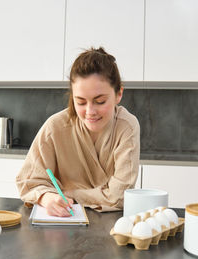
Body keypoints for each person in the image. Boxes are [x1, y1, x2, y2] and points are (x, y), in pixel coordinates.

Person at [16, 47, 140, 217]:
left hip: (111, 227)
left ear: (119, 93)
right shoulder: (55, 127)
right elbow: (28, 182)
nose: (90, 111)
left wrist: (69, 193)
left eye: (100, 101)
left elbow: (120, 196)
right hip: (63, 226)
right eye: (80, 102)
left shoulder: (127, 126)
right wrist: (48, 198)